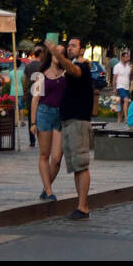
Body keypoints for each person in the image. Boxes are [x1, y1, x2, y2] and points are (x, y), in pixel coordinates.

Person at [52, 37, 94, 219]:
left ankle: (83, 206)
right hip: (69, 120)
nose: (70, 48)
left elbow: (74, 70)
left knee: (81, 165)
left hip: (78, 121)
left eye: (74, 46)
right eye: (68, 46)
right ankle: (80, 205)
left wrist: (56, 53)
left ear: (82, 50)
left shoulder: (82, 66)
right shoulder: (72, 67)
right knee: (76, 166)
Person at [32, 45, 65, 199]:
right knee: (45, 154)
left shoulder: (66, 74)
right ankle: (49, 191)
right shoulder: (41, 75)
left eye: (62, 54)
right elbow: (35, 99)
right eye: (56, 53)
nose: (58, 56)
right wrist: (33, 122)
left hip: (60, 115)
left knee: (57, 158)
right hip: (44, 113)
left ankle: (46, 187)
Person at [113, 50, 133, 125]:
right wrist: (114, 88)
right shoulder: (117, 66)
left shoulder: (129, 66)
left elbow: (130, 77)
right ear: (122, 58)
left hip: (126, 87)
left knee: (121, 104)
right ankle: (126, 118)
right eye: (126, 57)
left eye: (128, 57)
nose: (127, 59)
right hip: (119, 86)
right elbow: (114, 78)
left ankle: (119, 120)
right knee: (126, 100)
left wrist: (132, 70)